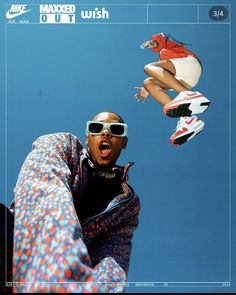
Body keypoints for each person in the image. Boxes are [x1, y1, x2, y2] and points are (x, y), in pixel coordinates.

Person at [1, 111, 140, 293]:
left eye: (116, 129)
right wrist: (60, 275)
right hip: (13, 241)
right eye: (97, 128)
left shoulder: (127, 205)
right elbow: (45, 195)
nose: (106, 133)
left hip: (78, 276)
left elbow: (113, 259)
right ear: (88, 137)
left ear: (124, 141)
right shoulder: (62, 146)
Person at [135, 32, 210, 145]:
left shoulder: (171, 48)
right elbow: (162, 75)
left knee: (149, 67)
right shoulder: (165, 63)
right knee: (148, 83)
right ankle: (187, 119)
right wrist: (148, 90)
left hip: (189, 64)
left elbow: (164, 39)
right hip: (185, 80)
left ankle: (186, 94)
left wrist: (154, 42)